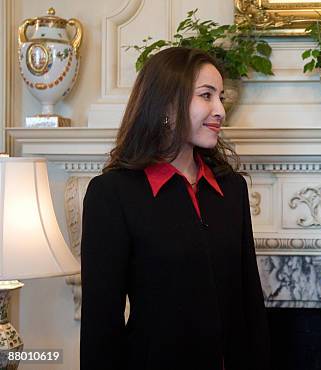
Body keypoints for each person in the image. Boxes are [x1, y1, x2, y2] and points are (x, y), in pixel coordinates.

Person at [80, 47, 270, 370]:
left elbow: (251, 304)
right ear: (167, 104)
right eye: (206, 96)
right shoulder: (111, 194)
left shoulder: (232, 189)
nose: (220, 110)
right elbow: (101, 325)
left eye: (220, 97)